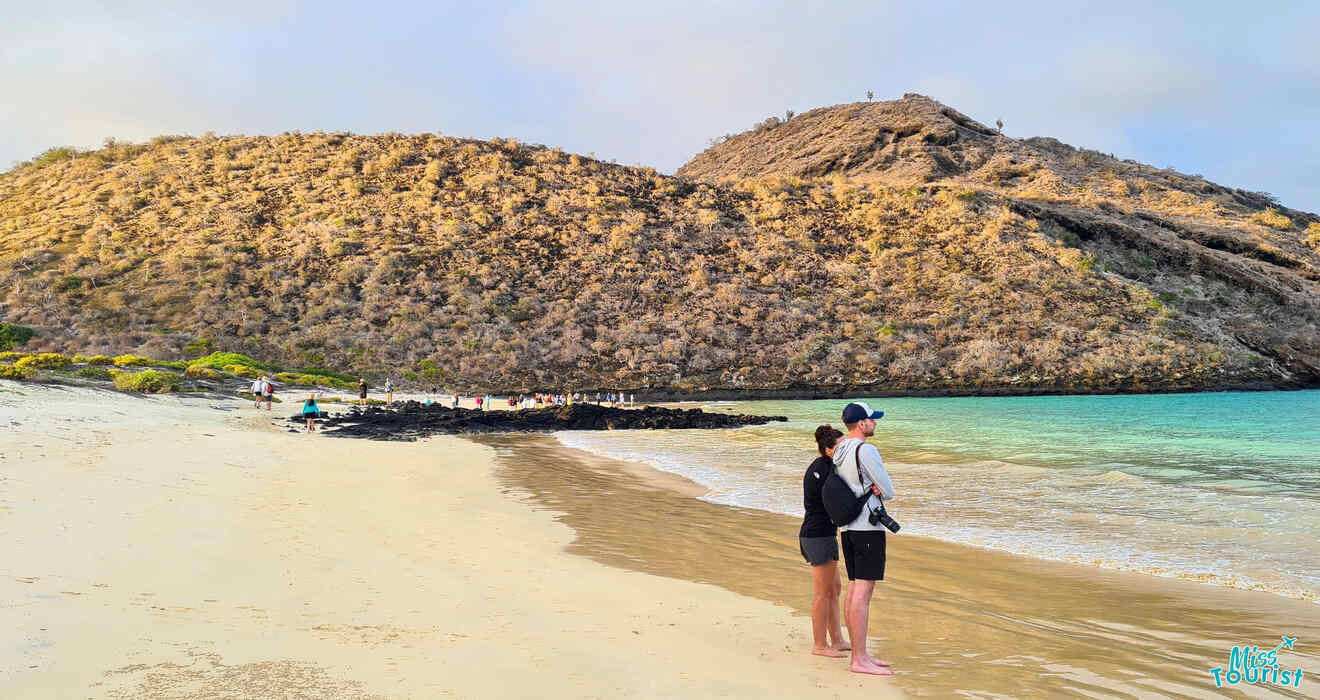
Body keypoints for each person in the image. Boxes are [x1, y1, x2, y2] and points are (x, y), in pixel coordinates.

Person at [832, 401, 896, 676]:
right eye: (872, 419)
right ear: (861, 424)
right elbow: (888, 490)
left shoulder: (841, 448)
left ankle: (861, 653)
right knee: (863, 592)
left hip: (848, 526)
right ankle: (859, 659)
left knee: (854, 587)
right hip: (867, 526)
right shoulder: (866, 449)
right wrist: (875, 488)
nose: (875, 423)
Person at [801, 425, 850, 657]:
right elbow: (837, 502)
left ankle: (837, 639)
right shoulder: (822, 469)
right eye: (841, 446)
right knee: (823, 593)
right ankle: (820, 645)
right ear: (829, 450)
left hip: (825, 534)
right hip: (817, 535)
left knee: (835, 589)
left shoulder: (831, 467)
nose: (846, 450)